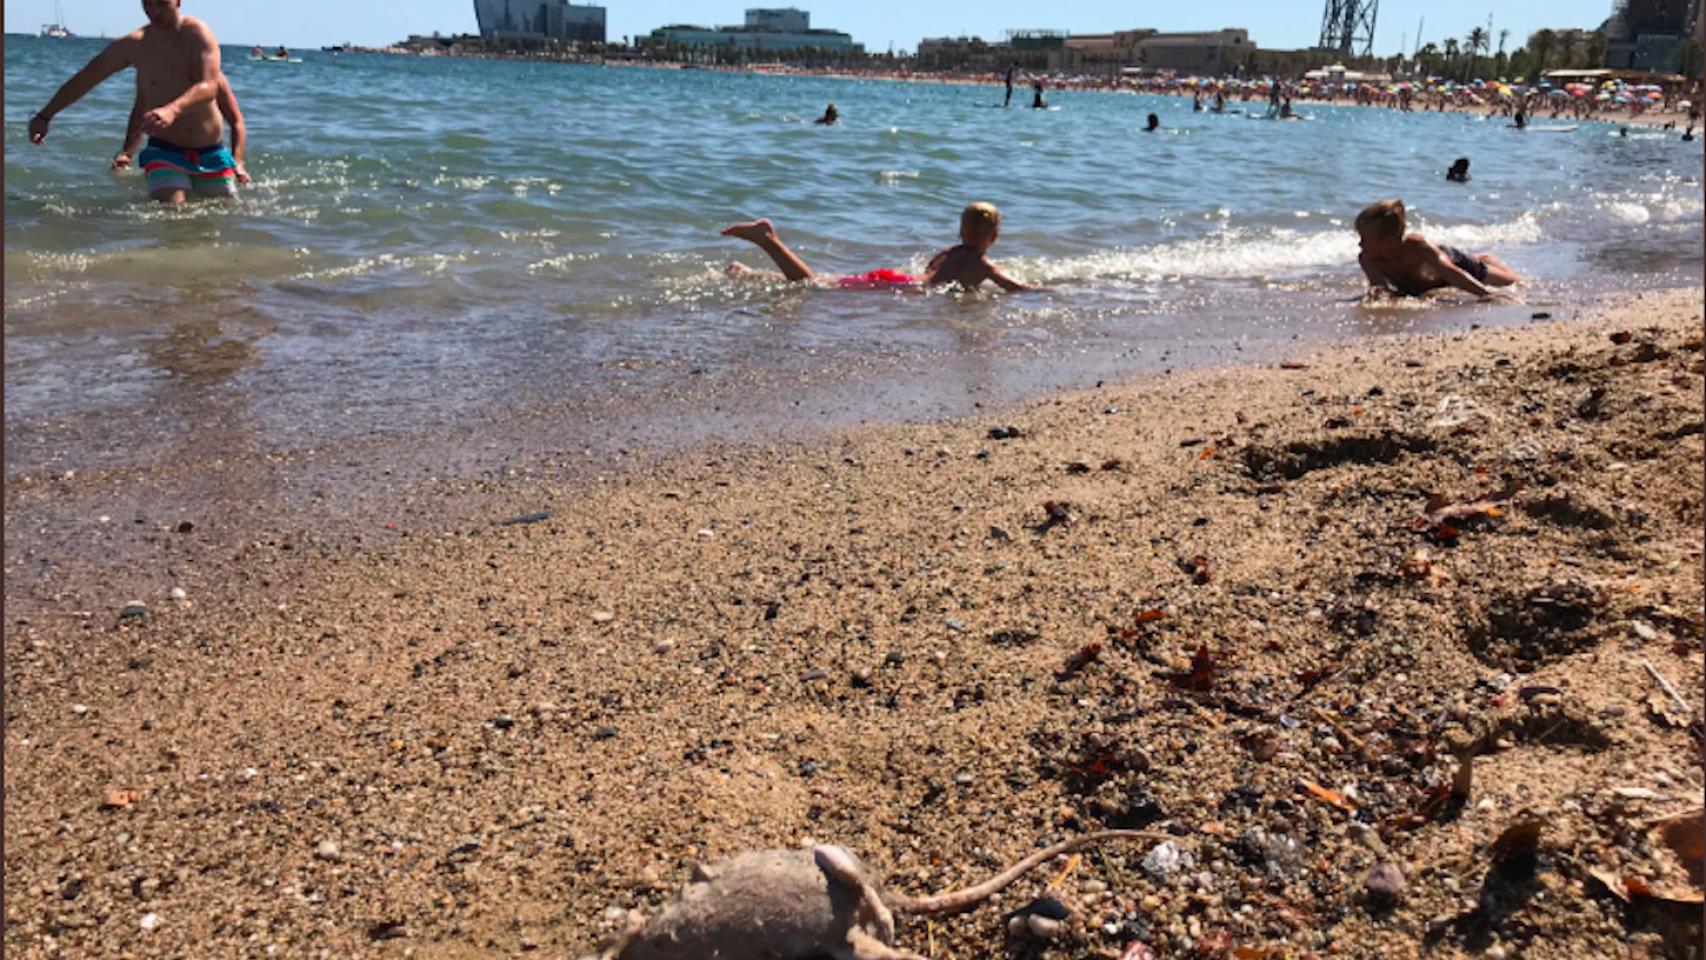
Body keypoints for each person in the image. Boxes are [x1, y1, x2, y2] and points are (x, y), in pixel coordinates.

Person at [28, 0, 231, 204]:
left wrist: (172, 110)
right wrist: (45, 115)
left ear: (178, 1)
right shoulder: (135, 44)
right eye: (148, 4)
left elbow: (210, 86)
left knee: (218, 221)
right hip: (164, 150)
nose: (155, 11)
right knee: (174, 211)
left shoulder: (197, 34)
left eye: (162, 4)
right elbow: (87, 77)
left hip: (210, 152)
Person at [721, 202, 1043, 293]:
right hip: (901, 288)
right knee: (812, 285)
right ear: (995, 237)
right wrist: (1048, 291)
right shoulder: (982, 265)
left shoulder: (952, 251)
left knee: (824, 281)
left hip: (898, 279)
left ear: (960, 231)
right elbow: (1015, 288)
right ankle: (768, 240)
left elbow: (933, 272)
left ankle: (747, 274)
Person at [1354, 199, 1519, 301]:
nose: (1359, 245)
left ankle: (1486, 260)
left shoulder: (1416, 247)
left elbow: (1451, 272)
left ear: (1389, 243)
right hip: (1431, 283)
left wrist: (1486, 294)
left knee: (1515, 283)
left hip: (1454, 264)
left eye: (1364, 240)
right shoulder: (1368, 259)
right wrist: (1378, 294)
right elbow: (1381, 288)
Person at [114, 71, 249, 186]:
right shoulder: (153, 75)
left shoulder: (214, 78)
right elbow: (140, 113)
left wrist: (237, 162)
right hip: (164, 152)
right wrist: (127, 153)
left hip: (212, 155)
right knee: (172, 205)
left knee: (223, 207)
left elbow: (236, 121)